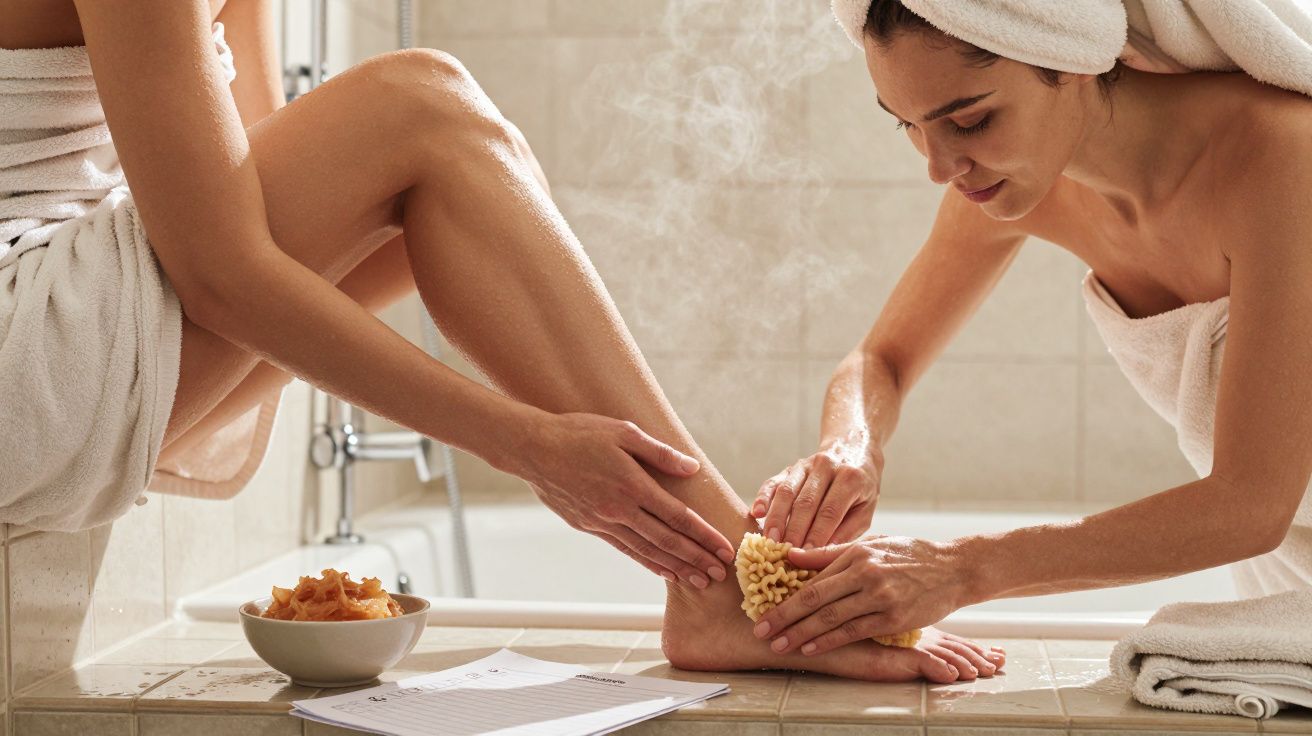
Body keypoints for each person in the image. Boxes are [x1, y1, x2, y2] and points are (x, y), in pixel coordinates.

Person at [0, 0, 1005, 682]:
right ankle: (730, 579)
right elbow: (224, 272)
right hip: (24, 351)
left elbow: (263, 210)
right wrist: (522, 442)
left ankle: (722, 574)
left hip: (89, 336)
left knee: (451, 152)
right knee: (422, 108)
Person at [749, 0, 1312, 659]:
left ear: (1071, 61)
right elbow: (882, 360)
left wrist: (959, 567)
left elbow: (1250, 506)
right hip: (1285, 588)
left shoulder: (1283, 156)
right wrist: (852, 446)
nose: (939, 166)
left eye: (971, 119)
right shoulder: (1015, 187)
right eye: (909, 125)